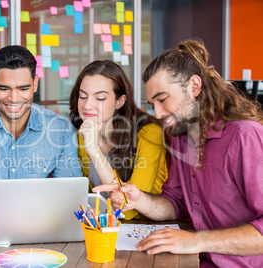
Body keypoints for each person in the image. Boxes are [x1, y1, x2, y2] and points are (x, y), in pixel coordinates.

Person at [94, 39, 263, 267]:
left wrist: (197, 241)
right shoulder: (181, 138)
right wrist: (139, 200)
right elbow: (176, 203)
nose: (159, 113)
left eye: (163, 99)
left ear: (194, 86)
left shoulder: (245, 136)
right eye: (153, 104)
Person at [0, 45, 82, 216]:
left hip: (43, 225)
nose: (13, 98)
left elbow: (70, 192)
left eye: (23, 88)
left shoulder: (60, 129)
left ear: (35, 84)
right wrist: (11, 218)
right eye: (4, 89)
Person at [69, 60, 169, 220]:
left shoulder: (149, 134)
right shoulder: (83, 134)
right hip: (107, 226)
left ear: (120, 101)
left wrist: (94, 151)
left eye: (100, 98)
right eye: (83, 96)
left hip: (145, 226)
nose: (87, 105)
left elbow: (127, 209)